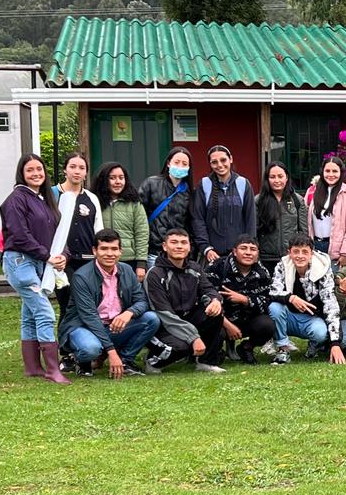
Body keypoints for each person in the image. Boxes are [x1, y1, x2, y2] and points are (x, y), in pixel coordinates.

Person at [0, 153, 71, 384]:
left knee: (30, 314)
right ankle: (52, 369)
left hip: (40, 262)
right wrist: (47, 256)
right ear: (22, 173)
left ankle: (32, 368)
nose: (36, 174)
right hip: (20, 263)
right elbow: (20, 236)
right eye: (30, 170)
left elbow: (57, 234)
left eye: (39, 169)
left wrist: (62, 256)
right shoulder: (15, 200)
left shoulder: (43, 199)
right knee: (44, 312)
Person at [58, 229, 160, 378]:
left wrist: (128, 313)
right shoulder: (81, 276)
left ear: (120, 251)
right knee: (90, 348)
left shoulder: (127, 270)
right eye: (104, 249)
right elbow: (89, 317)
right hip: (84, 326)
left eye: (114, 249)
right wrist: (111, 351)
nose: (109, 254)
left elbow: (142, 300)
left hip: (112, 326)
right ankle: (82, 360)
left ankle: (125, 361)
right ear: (95, 251)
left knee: (151, 319)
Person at [144, 228, 226, 374]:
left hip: (186, 319)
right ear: (164, 246)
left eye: (183, 243)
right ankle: (152, 361)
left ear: (189, 247)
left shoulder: (195, 267)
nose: (179, 246)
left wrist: (215, 300)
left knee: (215, 311)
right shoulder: (155, 274)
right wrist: (193, 337)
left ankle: (205, 362)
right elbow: (165, 314)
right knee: (183, 345)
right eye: (174, 242)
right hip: (162, 325)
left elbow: (208, 289)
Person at [267, 233, 346, 364]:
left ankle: (315, 345)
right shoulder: (282, 265)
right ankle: (283, 350)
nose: (300, 256)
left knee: (320, 333)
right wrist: (290, 298)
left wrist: (335, 343)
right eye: (296, 251)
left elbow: (330, 303)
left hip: (312, 318)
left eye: (305, 252)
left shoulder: (323, 269)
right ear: (289, 253)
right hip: (289, 317)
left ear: (311, 253)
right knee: (274, 308)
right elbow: (273, 291)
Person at [206, 234, 275, 365]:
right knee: (214, 330)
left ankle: (246, 348)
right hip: (221, 321)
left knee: (267, 325)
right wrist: (228, 325)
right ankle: (214, 351)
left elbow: (268, 300)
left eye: (253, 249)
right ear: (234, 251)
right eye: (244, 248)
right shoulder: (217, 267)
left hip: (246, 319)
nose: (248, 253)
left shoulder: (262, 272)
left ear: (257, 253)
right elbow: (205, 299)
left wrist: (246, 299)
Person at [51, 152, 104, 314]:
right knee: (67, 305)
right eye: (72, 167)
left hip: (87, 260)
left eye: (81, 168)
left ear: (86, 172)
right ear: (65, 170)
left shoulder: (91, 198)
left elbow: (99, 230)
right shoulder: (52, 194)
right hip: (61, 261)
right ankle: (65, 338)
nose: (77, 171)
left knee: (88, 305)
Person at [191, 145, 256, 263]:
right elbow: (198, 219)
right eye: (214, 162)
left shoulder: (243, 183)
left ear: (230, 159)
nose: (220, 165)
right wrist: (206, 248)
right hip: (212, 255)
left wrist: (247, 249)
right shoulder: (204, 184)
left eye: (223, 160)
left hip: (239, 255)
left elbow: (250, 219)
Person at [93, 162, 149, 281]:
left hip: (129, 260)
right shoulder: (94, 201)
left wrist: (141, 263)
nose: (118, 182)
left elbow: (142, 233)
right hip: (102, 259)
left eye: (121, 177)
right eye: (112, 178)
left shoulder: (134, 203)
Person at [139, 147, 193, 266]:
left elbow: (191, 224)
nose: (180, 166)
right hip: (153, 251)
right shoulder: (151, 184)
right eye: (176, 162)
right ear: (168, 163)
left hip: (179, 254)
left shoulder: (190, 192)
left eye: (184, 164)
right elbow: (139, 218)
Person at [306, 156, 346, 273]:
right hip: (314, 247)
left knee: (334, 286)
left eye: (335, 171)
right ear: (322, 172)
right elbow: (306, 221)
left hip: (335, 250)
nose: (331, 174)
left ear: (341, 173)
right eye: (327, 171)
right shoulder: (312, 192)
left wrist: (345, 252)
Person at [255, 162, 307, 270]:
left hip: (290, 258)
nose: (277, 180)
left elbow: (303, 232)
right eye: (272, 177)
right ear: (267, 179)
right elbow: (254, 231)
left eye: (280, 176)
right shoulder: (258, 201)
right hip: (266, 259)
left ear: (286, 177)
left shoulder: (297, 200)